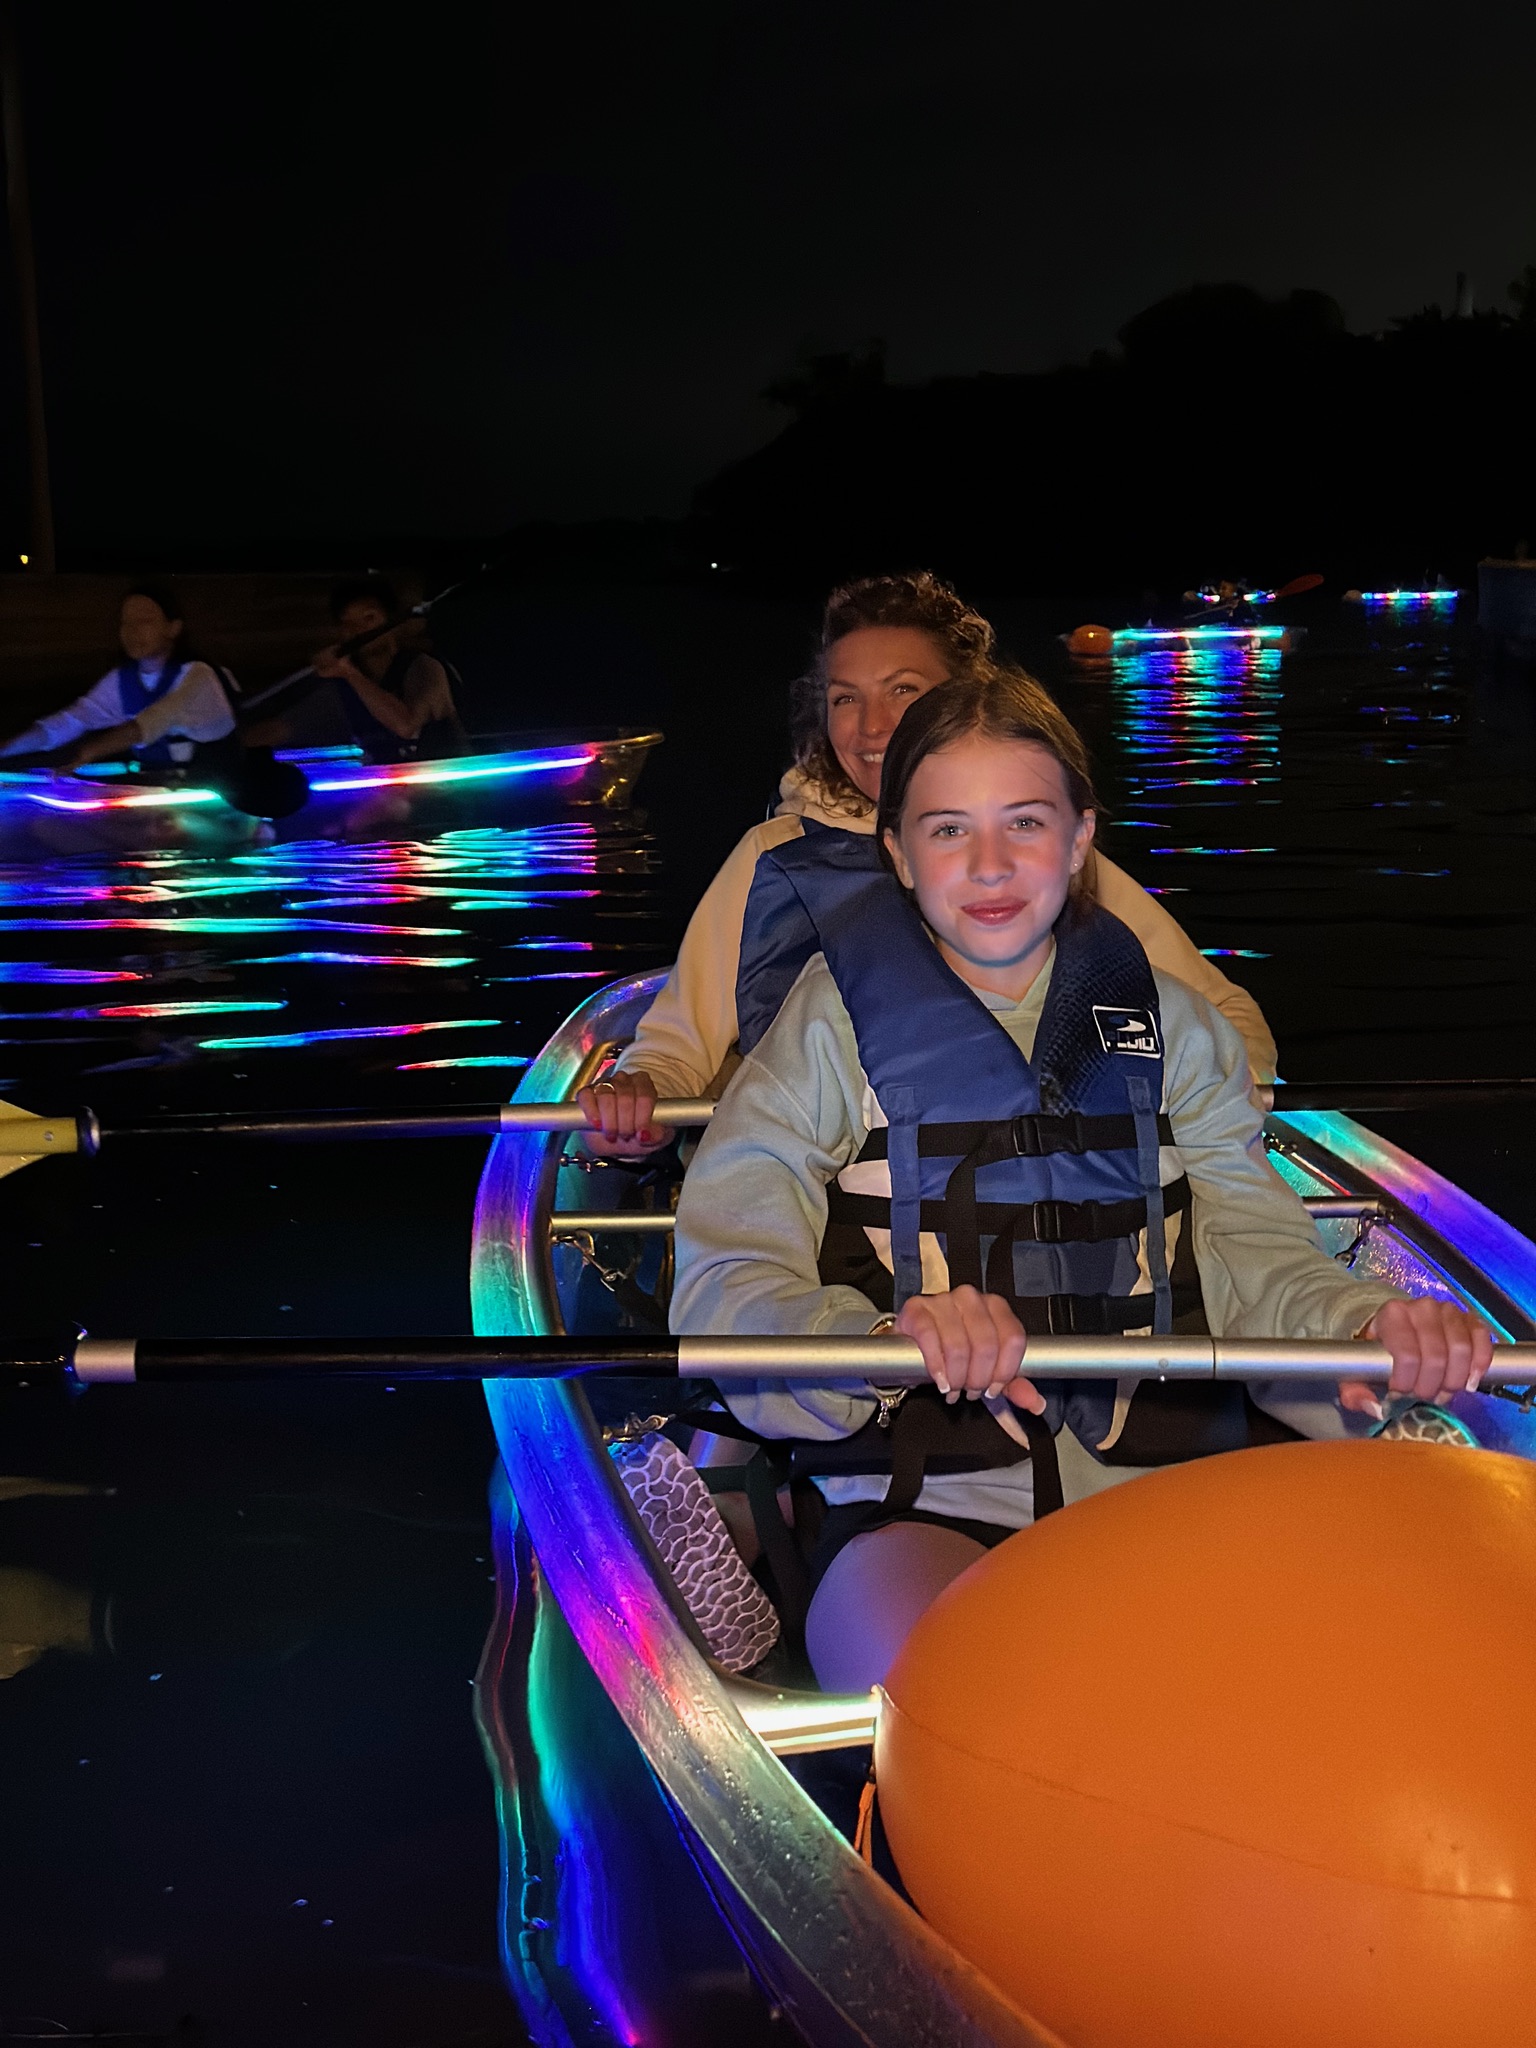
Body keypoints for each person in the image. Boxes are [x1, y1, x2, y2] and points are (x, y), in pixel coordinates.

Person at [668, 673, 1491, 1693]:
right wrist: (881, 1339)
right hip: (918, 1487)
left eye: (1025, 820)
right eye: (946, 829)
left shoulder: (1177, 1030)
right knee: (949, 1689)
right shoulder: (825, 1033)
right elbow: (725, 1275)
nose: (990, 863)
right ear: (896, 851)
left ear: (1080, 834)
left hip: (1165, 1471)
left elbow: (1259, 1252)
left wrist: (1369, 1320)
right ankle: (760, 1522)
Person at [579, 572, 1277, 1154]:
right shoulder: (776, 857)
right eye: (845, 697)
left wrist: (1214, 1122)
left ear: (965, 696)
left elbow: (1223, 1014)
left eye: (903, 690)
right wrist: (640, 1107)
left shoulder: (1040, 857)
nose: (872, 726)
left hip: (1029, 1198)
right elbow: (675, 1050)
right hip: (835, 1206)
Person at [0, 582, 239, 768]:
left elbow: (153, 722)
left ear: (173, 628)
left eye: (144, 621)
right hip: (162, 792)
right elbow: (74, 720)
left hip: (219, 793)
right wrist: (7, 747)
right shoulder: (122, 680)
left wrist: (88, 752)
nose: (132, 631)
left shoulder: (199, 675)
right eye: (126, 622)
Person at [312, 577, 464, 763]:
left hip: (447, 787)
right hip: (387, 787)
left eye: (369, 618)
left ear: (391, 620)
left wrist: (348, 672)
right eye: (347, 624)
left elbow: (405, 726)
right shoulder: (345, 681)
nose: (357, 630)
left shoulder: (424, 666)